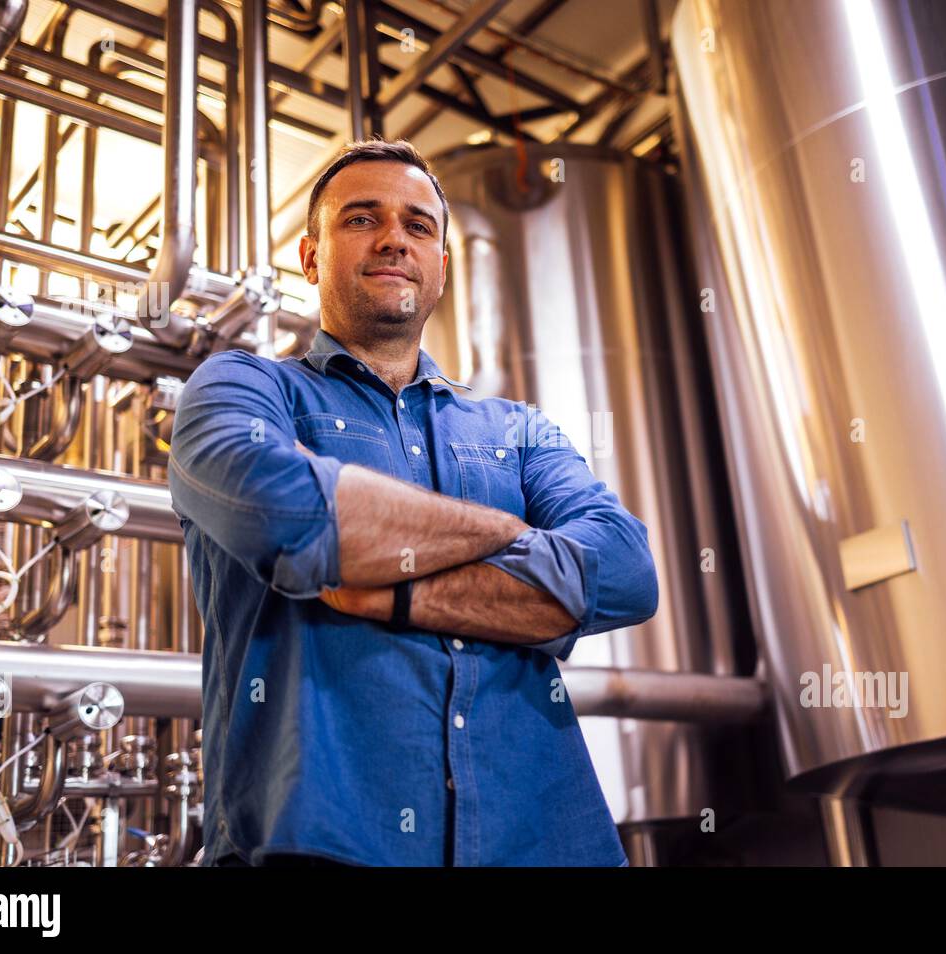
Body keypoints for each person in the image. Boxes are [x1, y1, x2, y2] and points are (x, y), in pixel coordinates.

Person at [168, 137, 659, 867]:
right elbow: (290, 516)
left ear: (441, 269)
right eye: (361, 219)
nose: (394, 237)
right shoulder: (244, 389)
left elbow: (626, 569)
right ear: (309, 257)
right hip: (320, 850)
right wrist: (515, 537)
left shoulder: (515, 429)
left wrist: (391, 590)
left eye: (418, 225)